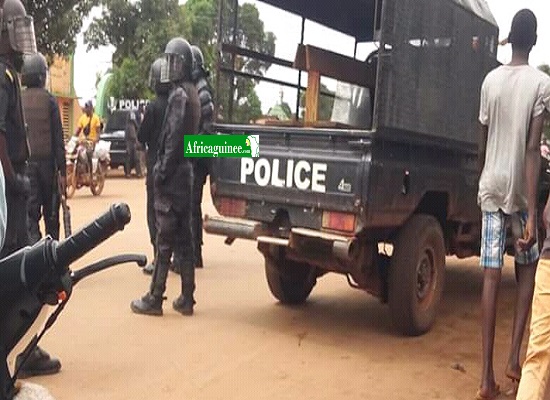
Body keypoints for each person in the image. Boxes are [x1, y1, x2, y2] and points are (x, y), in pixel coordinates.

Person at [476, 9, 550, 400]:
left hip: (491, 187)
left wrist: (482, 177)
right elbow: (532, 151)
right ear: (534, 40)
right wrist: (533, 213)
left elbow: (483, 139)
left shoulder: (490, 80)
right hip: (520, 193)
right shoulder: (542, 84)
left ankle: (485, 379)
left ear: (510, 37)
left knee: (490, 275)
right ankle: (513, 359)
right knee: (527, 270)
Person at [0, 0, 61, 379]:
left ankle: (24, 347)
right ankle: (23, 349)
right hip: (12, 187)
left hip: (22, 181)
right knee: (22, 272)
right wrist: (11, 179)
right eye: (15, 27)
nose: (22, 35)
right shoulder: (2, 76)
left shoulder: (10, 75)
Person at [131, 37, 200, 316]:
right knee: (185, 238)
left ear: (184, 65)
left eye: (175, 61)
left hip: (172, 176)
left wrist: (160, 172)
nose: (171, 66)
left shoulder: (179, 96)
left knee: (164, 238)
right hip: (186, 174)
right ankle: (187, 297)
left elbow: (172, 140)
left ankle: (155, 296)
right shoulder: (192, 92)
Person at [21, 52, 66, 244]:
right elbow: (58, 138)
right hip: (48, 167)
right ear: (42, 76)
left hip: (26, 166)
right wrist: (63, 171)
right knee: (51, 215)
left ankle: (34, 257)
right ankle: (53, 258)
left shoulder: (19, 99)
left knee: (30, 216)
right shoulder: (49, 100)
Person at [138, 57, 170, 275]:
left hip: (155, 166)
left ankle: (158, 256)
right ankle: (170, 256)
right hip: (174, 165)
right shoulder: (178, 101)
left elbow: (141, 136)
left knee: (154, 212)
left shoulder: (153, 107)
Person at [189, 44, 214, 269]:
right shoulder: (196, 88)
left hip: (198, 158)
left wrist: (190, 153)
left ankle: (195, 253)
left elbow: (206, 130)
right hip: (196, 156)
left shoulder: (202, 90)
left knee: (192, 205)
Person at [73, 100, 101, 177]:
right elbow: (78, 131)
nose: (86, 109)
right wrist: (73, 139)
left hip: (91, 142)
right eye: (85, 108)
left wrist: (96, 139)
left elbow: (98, 132)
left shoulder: (96, 118)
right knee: (75, 151)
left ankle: (91, 171)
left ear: (91, 108)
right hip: (84, 141)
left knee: (89, 153)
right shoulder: (82, 118)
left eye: (88, 107)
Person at [123, 110, 142, 178]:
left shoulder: (134, 125)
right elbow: (128, 136)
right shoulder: (128, 126)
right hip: (130, 142)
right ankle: (128, 173)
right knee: (129, 158)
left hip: (134, 142)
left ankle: (138, 173)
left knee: (136, 158)